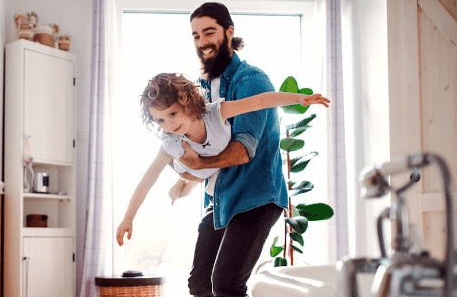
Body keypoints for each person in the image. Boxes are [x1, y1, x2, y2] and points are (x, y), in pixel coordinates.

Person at [179, 2, 312, 297]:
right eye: (196, 35)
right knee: (200, 282)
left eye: (209, 33)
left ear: (228, 31)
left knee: (227, 284)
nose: (202, 42)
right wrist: (186, 174)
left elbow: (242, 150)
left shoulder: (250, 79)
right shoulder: (207, 89)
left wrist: (200, 165)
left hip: (255, 197)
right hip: (220, 199)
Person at [115, 72, 328, 246]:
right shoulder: (170, 142)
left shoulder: (215, 113)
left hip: (208, 168)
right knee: (188, 177)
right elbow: (147, 180)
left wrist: (299, 99)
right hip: (191, 172)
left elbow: (260, 101)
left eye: (172, 113)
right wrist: (128, 218)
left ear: (187, 102)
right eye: (160, 120)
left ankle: (185, 182)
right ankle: (183, 182)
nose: (169, 124)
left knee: (199, 175)